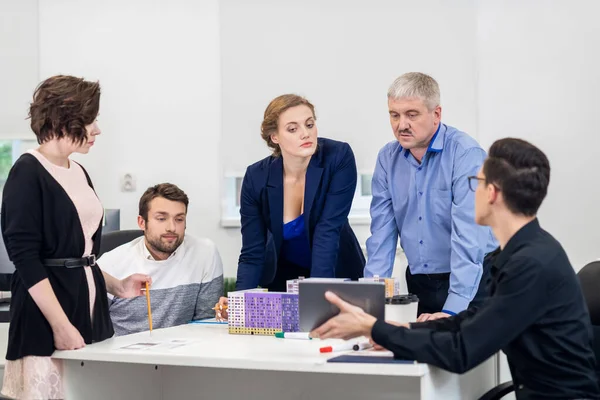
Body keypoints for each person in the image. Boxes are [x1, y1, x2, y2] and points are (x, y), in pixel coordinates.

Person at [312, 138, 600, 399]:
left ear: (491, 193)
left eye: (475, 181)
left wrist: (373, 327)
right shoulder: (513, 255)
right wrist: (403, 328)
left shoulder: (531, 265)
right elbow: (471, 320)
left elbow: (463, 350)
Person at [0, 75, 151, 399]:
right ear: (63, 118)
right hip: (47, 318)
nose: (96, 129)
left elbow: (81, 255)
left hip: (90, 310)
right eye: (89, 119)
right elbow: (26, 260)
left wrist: (118, 285)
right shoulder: (27, 172)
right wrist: (60, 325)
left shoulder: (78, 171)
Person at [215, 94, 365, 319]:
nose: (306, 133)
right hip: (283, 281)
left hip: (335, 274)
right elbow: (252, 251)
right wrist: (240, 307)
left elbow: (328, 232)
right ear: (274, 136)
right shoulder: (256, 177)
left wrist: (318, 304)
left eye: (310, 124)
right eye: (292, 129)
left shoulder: (338, 157)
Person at [364, 72, 497, 321]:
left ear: (436, 114)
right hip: (420, 282)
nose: (401, 124)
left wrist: (452, 310)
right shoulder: (387, 159)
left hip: (473, 277)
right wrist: (371, 303)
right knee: (421, 356)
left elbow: (469, 238)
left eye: (411, 114)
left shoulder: (466, 155)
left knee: (465, 355)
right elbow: (381, 237)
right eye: (394, 115)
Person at [98, 183, 224, 336]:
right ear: (142, 222)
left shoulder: (205, 253)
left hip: (184, 355)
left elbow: (206, 324)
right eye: (161, 218)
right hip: (125, 356)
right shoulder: (110, 264)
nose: (171, 227)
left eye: (179, 219)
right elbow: (93, 330)